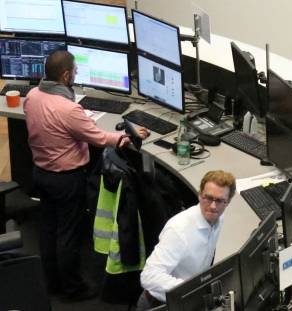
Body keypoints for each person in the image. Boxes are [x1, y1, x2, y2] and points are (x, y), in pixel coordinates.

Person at [23, 49, 149, 300]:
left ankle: (52, 283)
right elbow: (100, 138)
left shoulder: (32, 96)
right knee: (68, 235)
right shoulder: (68, 109)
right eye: (75, 72)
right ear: (66, 75)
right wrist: (128, 136)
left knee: (48, 230)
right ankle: (73, 289)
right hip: (66, 179)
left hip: (41, 173)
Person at [136, 170, 237, 310]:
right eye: (208, 198)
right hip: (160, 303)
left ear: (228, 202)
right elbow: (148, 276)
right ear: (200, 195)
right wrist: (193, 289)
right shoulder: (179, 231)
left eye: (219, 200)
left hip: (187, 300)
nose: (213, 206)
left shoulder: (218, 218)